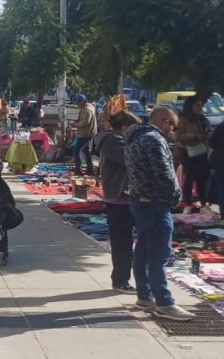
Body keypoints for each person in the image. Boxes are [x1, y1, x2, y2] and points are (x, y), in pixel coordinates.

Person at [125, 106, 195, 321]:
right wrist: (176, 196)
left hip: (141, 200)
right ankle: (164, 302)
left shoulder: (134, 138)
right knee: (158, 255)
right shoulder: (154, 140)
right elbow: (164, 173)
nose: (172, 131)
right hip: (155, 202)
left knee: (144, 250)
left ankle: (145, 295)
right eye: (172, 126)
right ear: (164, 121)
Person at [95, 111, 141, 294]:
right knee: (122, 242)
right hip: (120, 197)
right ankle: (121, 280)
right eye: (134, 128)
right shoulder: (114, 141)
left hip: (124, 196)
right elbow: (132, 159)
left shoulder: (116, 140)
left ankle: (123, 279)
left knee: (126, 241)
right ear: (124, 127)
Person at [175, 95, 212, 207]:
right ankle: (187, 201)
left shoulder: (201, 118)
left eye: (201, 105)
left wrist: (207, 134)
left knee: (202, 176)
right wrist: (194, 136)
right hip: (187, 151)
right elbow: (177, 136)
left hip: (201, 151)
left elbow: (208, 131)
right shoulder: (183, 118)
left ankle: (202, 201)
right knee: (190, 176)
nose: (200, 107)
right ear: (190, 106)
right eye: (197, 105)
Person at [72, 94, 98, 177]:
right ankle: (89, 170)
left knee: (76, 150)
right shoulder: (84, 108)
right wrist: (76, 122)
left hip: (86, 134)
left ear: (83, 101)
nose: (77, 104)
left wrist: (76, 125)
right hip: (84, 133)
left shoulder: (88, 109)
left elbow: (85, 122)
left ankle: (78, 170)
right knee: (86, 151)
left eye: (79, 102)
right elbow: (81, 120)